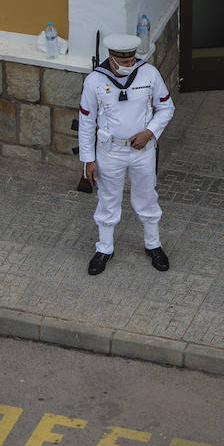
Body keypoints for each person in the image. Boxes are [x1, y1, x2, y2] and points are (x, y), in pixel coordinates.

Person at [77, 33, 175, 275]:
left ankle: (153, 244)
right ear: (111, 58)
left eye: (132, 60)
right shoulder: (95, 81)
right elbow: (86, 121)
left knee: (147, 197)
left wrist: (149, 132)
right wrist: (88, 159)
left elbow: (166, 108)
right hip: (110, 151)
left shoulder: (149, 73)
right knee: (108, 199)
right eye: (125, 62)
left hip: (142, 150)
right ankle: (105, 248)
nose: (130, 65)